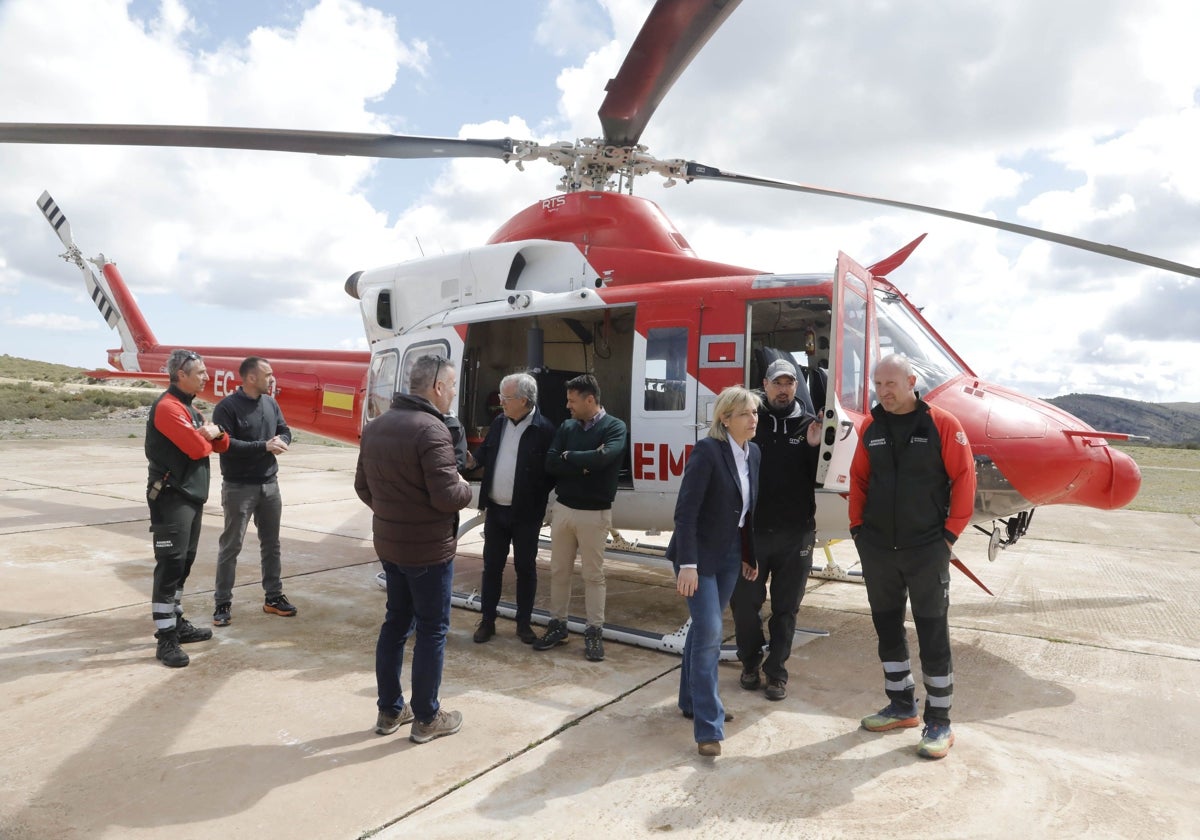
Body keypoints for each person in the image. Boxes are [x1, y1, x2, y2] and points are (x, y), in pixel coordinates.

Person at [849, 353, 976, 760]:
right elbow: (858, 480)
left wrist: (949, 536)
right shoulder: (872, 427)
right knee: (887, 629)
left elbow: (964, 480)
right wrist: (858, 532)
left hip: (926, 550)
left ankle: (938, 720)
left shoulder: (941, 425)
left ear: (911, 381)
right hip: (879, 549)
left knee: (932, 634)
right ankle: (901, 705)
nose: (884, 392)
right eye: (878, 385)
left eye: (891, 384)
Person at [355, 354, 473, 744]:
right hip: (428, 550)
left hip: (390, 545)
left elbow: (363, 488)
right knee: (431, 631)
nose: (453, 394)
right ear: (437, 387)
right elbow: (447, 497)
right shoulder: (432, 431)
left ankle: (390, 711)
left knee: (394, 624)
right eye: (452, 386)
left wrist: (394, 512)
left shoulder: (376, 427)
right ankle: (427, 718)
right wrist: (466, 487)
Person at [666, 386, 761, 758]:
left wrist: (748, 555)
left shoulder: (754, 453)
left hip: (730, 554)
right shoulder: (707, 451)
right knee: (710, 633)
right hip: (698, 556)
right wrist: (687, 564)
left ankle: (689, 700)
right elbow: (685, 511)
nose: (753, 420)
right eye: (745, 414)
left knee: (704, 630)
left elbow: (747, 512)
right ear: (725, 418)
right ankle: (709, 727)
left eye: (755, 413)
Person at [731, 358, 822, 701]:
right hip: (753, 534)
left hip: (795, 534)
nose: (783, 389)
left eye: (790, 383)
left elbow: (822, 476)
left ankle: (777, 672)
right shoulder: (750, 422)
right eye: (777, 383)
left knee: (787, 609)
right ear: (765, 386)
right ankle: (750, 661)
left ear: (796, 388)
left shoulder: (810, 426)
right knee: (744, 604)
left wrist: (815, 449)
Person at [145, 349, 230, 668]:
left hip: (190, 497)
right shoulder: (168, 407)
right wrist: (209, 435)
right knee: (170, 564)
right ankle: (165, 638)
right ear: (181, 375)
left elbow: (222, 443)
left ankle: (176, 622)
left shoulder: (189, 409)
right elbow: (197, 449)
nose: (206, 377)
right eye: (201, 373)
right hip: (171, 497)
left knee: (184, 563)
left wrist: (213, 432)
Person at [533, 374, 628, 661]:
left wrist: (568, 457)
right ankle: (557, 625)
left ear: (590, 400)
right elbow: (550, 464)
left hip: (595, 514)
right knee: (559, 571)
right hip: (563, 510)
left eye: (572, 400)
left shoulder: (615, 427)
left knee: (593, 576)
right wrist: (584, 463)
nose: (567, 405)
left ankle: (593, 631)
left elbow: (605, 458)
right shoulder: (567, 426)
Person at [466, 372, 556, 645]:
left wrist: (535, 499)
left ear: (524, 400)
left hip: (526, 515)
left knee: (525, 569)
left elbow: (551, 472)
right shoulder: (499, 423)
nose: (500, 403)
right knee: (491, 568)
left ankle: (523, 624)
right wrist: (469, 461)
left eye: (506, 398)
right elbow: (484, 455)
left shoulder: (545, 429)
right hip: (496, 510)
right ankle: (488, 621)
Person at [211, 356, 295, 626]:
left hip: (270, 485)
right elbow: (226, 445)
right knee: (231, 546)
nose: (272, 378)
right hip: (238, 487)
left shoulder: (270, 403)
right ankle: (222, 603)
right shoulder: (227, 408)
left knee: (271, 545)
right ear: (250, 378)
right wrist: (264, 447)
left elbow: (284, 429)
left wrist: (282, 440)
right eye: (267, 374)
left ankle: (273, 598)